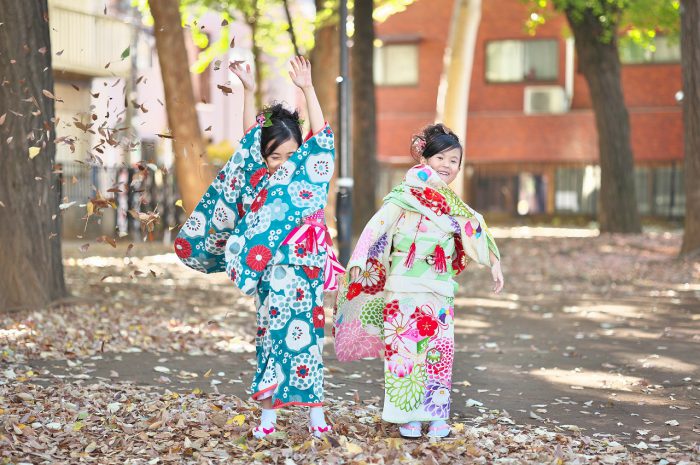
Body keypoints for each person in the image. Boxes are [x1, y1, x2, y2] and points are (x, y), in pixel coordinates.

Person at [175, 56, 343, 439]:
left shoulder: (311, 172)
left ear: (302, 150)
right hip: (269, 271)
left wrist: (307, 88)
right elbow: (250, 140)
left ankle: (316, 415)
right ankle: (268, 418)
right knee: (270, 336)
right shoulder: (256, 179)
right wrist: (248, 91)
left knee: (310, 340)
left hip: (306, 269)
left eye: (290, 154)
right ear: (264, 158)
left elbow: (323, 134)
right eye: (274, 156)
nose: (283, 162)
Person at [333, 123, 504, 439]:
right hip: (403, 289)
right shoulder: (404, 195)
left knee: (439, 352)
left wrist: (494, 261)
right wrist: (358, 257)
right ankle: (407, 416)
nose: (447, 166)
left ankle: (436, 414)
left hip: (439, 290)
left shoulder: (451, 204)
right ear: (424, 158)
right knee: (404, 351)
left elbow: (474, 228)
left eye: (454, 161)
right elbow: (377, 226)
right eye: (440, 157)